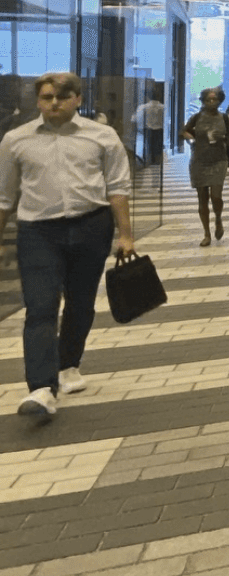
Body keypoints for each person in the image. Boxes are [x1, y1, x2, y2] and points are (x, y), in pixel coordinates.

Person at [0, 72, 135, 419]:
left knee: (80, 302)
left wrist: (126, 235)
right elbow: (4, 198)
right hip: (38, 231)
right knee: (40, 306)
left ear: (77, 99)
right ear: (38, 100)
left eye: (61, 97)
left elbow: (118, 187)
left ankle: (68, 364)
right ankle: (42, 388)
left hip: (91, 226)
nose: (54, 104)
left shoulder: (102, 136)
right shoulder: (16, 140)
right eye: (46, 97)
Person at [182, 88, 229, 248]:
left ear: (220, 101)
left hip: (219, 160)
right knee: (202, 198)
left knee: (216, 196)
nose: (211, 103)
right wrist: (191, 140)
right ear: (203, 101)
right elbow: (184, 131)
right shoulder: (196, 117)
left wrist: (224, 138)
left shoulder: (227, 119)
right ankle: (206, 233)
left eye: (215, 100)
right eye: (208, 100)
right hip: (199, 160)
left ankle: (218, 219)